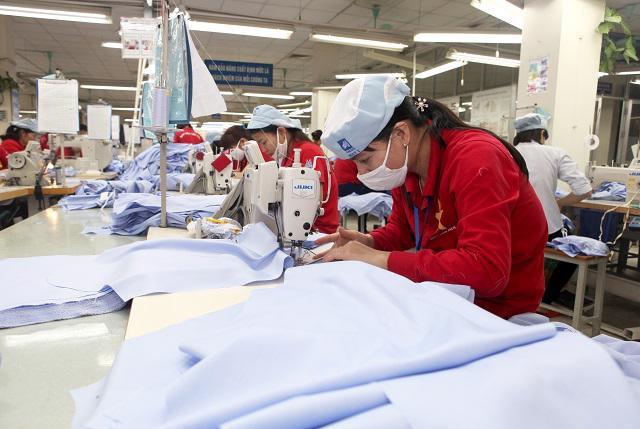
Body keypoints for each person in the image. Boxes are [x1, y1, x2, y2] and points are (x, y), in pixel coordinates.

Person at [315, 76, 548, 318]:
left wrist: (380, 258)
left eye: (365, 160)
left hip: (498, 313)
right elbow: (404, 229)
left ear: (402, 134)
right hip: (448, 298)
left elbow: (487, 270)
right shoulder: (408, 168)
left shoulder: (476, 158)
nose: (361, 173)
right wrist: (370, 242)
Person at [513, 113, 593, 304]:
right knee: (572, 251)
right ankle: (549, 297)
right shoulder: (554, 154)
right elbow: (584, 190)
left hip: (510, 227)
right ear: (542, 133)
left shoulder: (506, 152)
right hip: (545, 228)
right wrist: (558, 203)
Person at [247, 105, 339, 234]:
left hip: (318, 231)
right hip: (295, 227)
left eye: (263, 142)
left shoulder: (309, 152)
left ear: (281, 132)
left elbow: (311, 202)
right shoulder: (287, 156)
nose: (263, 149)